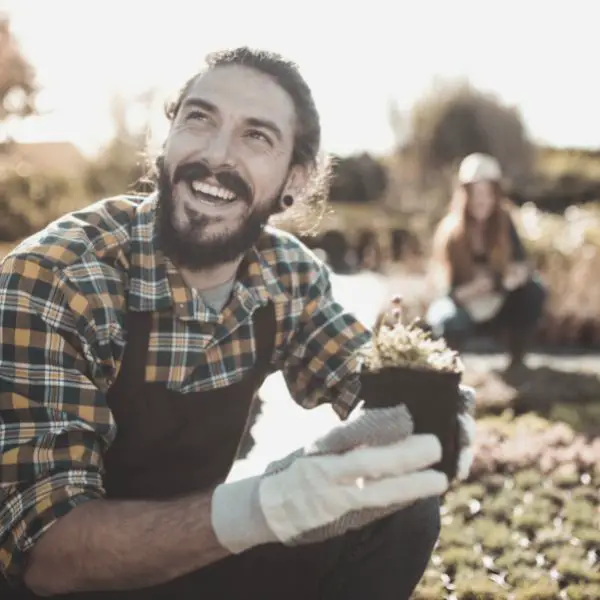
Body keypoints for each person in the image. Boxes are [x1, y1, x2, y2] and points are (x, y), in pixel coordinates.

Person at [0, 47, 475, 600]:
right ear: (167, 139)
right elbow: (49, 555)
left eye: (257, 136)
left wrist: (439, 417)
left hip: (187, 557)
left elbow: (367, 379)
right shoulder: (58, 278)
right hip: (63, 579)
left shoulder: (287, 274)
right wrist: (263, 506)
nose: (217, 155)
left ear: (293, 179)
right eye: (199, 119)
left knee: (400, 509)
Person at [426, 152, 547, 368]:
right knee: (448, 320)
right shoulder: (450, 232)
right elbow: (444, 289)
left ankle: (517, 361)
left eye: (488, 193)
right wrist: (474, 289)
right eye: (475, 193)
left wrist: (511, 278)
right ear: (464, 194)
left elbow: (522, 263)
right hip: (461, 306)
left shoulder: (505, 223)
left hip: (497, 303)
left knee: (534, 290)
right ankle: (450, 369)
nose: (481, 200)